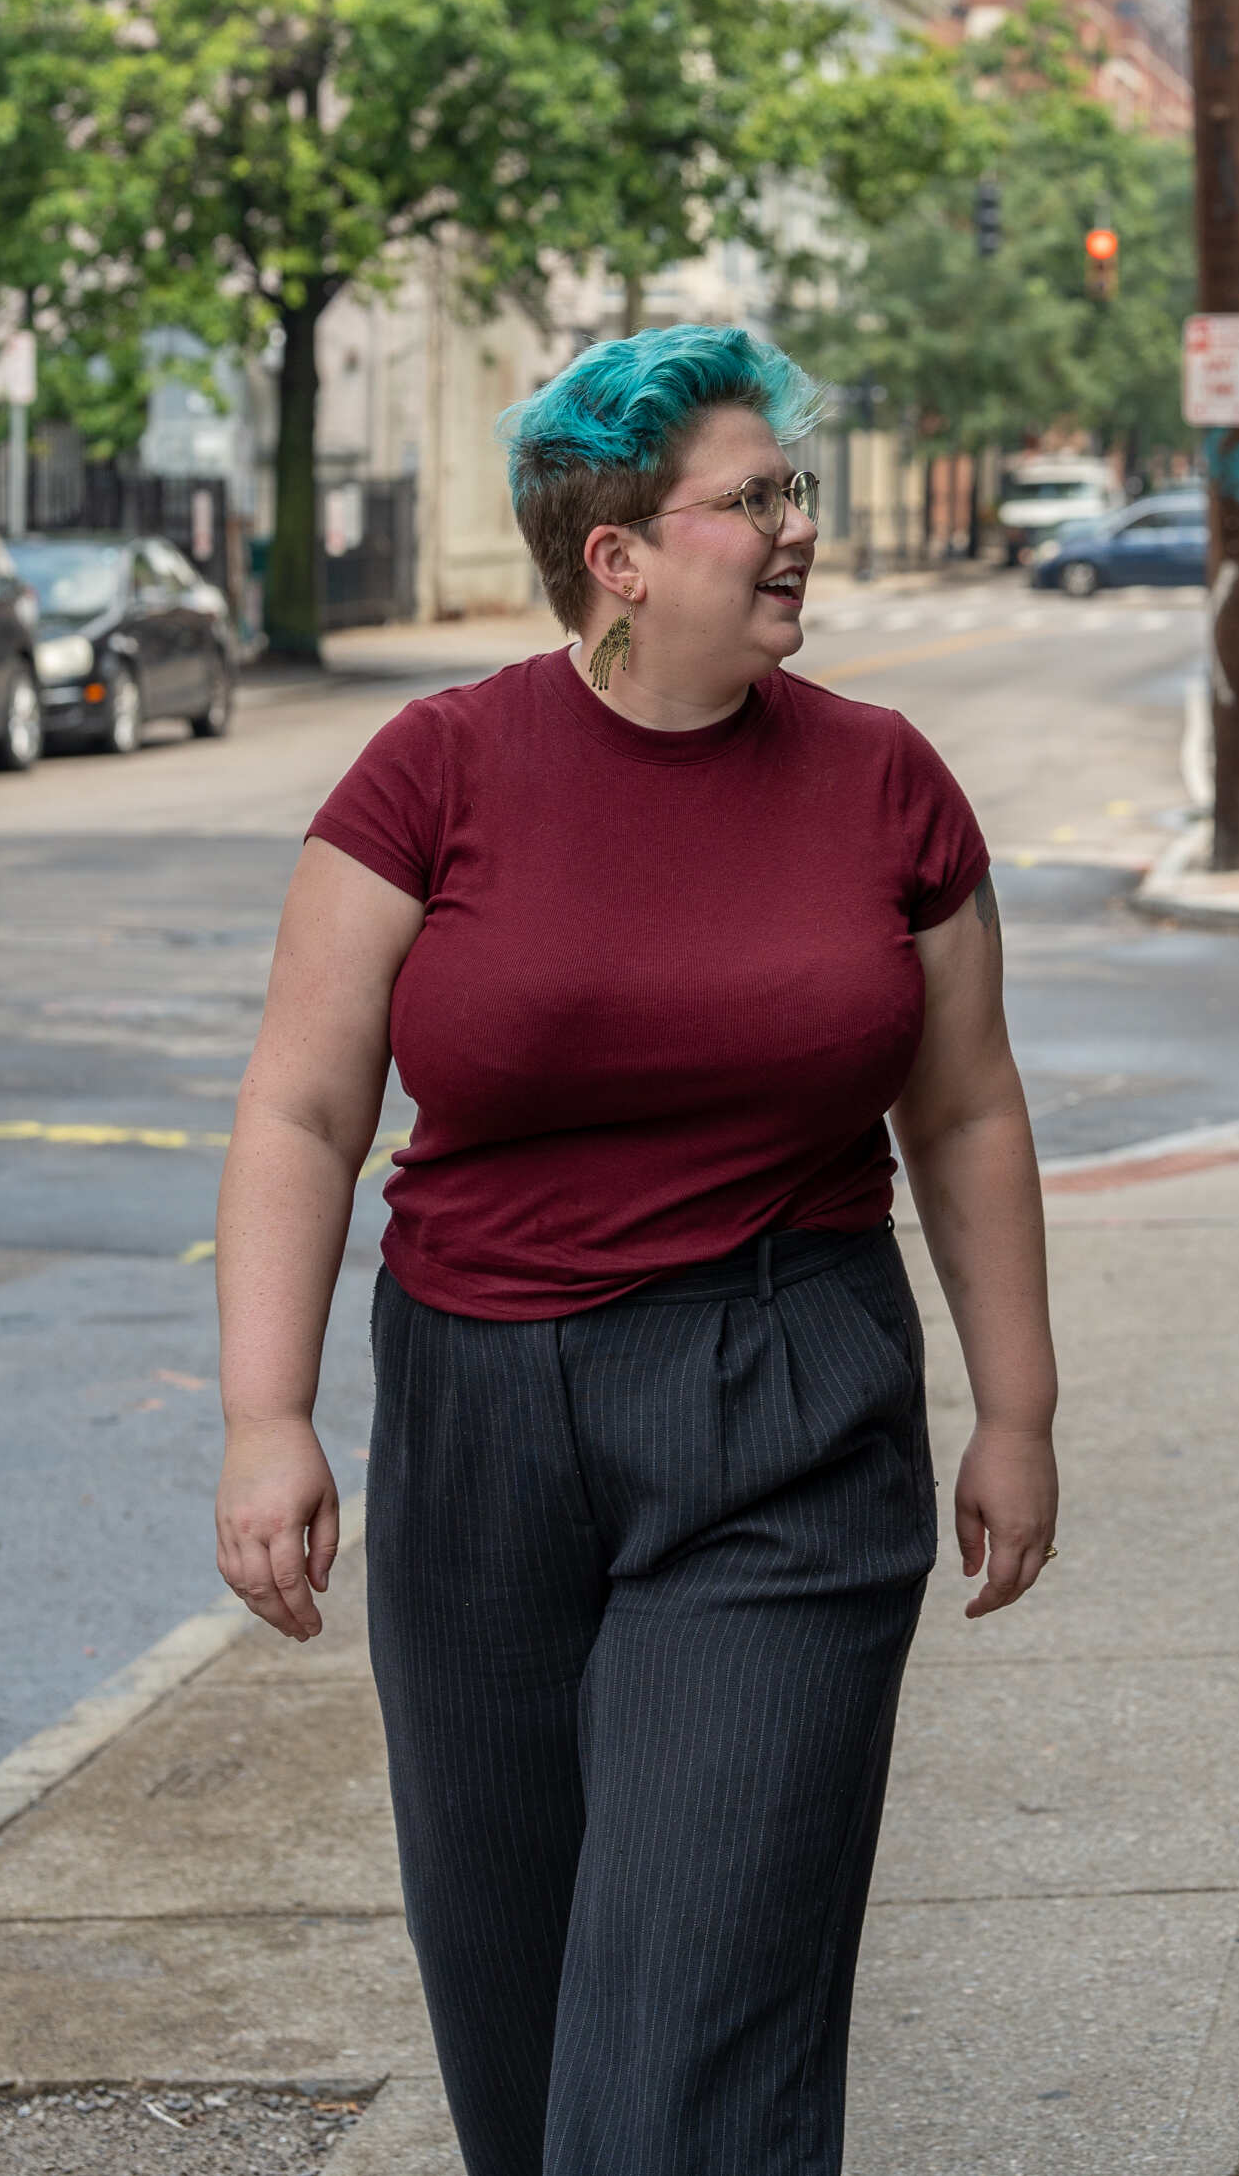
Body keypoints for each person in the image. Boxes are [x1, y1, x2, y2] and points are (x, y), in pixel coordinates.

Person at [209, 325, 1061, 2176]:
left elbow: (969, 1107)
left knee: (682, 2051)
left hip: (786, 1407)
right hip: (481, 1416)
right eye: (754, 499)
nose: (796, 530)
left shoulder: (887, 783)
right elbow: (300, 1109)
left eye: (792, 492)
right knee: (520, 2035)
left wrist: (1019, 1406)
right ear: (618, 555)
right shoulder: (432, 772)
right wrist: (267, 1415)